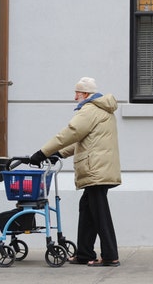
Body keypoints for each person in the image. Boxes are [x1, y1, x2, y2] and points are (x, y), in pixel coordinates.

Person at [30, 76, 122, 267]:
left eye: (77, 93)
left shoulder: (90, 109)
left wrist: (42, 152)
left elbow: (70, 133)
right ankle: (84, 253)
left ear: (86, 94)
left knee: (99, 213)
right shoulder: (101, 110)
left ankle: (110, 256)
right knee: (87, 209)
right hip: (99, 167)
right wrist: (58, 154)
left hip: (95, 169)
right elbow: (84, 142)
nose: (74, 97)